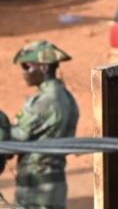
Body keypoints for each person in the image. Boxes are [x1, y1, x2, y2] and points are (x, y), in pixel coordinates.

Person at [6, 41, 78, 209]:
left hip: (37, 186)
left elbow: (17, 137)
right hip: (52, 181)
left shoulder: (46, 101)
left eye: (27, 66)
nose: (23, 72)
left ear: (44, 68)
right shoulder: (65, 96)